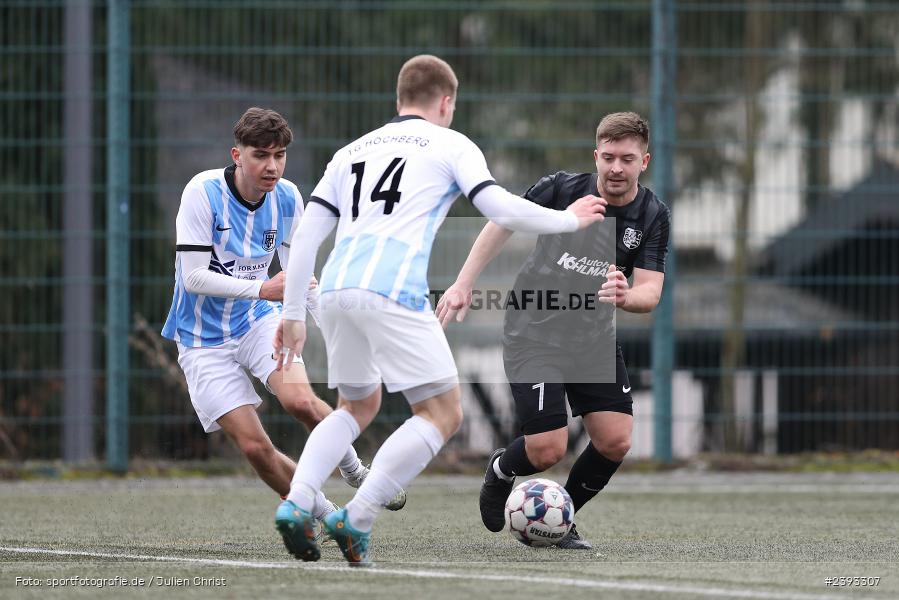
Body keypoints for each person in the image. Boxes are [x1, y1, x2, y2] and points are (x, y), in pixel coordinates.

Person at [273, 55, 607, 566]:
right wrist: (567, 220)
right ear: (446, 102)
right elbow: (498, 206)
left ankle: (298, 503)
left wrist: (293, 312)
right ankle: (355, 518)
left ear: (399, 98)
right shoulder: (451, 143)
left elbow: (306, 238)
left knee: (354, 407)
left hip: (338, 289)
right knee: (441, 412)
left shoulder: (351, 151)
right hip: (392, 290)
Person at [161, 107, 405, 528]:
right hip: (200, 337)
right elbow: (193, 277)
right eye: (261, 155)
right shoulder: (202, 193)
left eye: (280, 155)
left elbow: (300, 278)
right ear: (237, 155)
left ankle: (354, 470)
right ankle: (328, 515)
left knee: (301, 401)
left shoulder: (289, 197)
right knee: (256, 448)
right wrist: (263, 287)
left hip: (258, 319)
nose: (272, 166)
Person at [436, 111, 670, 549]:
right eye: (609, 157)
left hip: (593, 340)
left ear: (645, 161)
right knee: (547, 449)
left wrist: (625, 296)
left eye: (627, 159)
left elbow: (650, 292)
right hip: (534, 330)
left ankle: (559, 521)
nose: (616, 168)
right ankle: (501, 471)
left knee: (616, 441)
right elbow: (502, 221)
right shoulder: (561, 188)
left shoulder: (653, 214)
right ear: (595, 156)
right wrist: (465, 282)